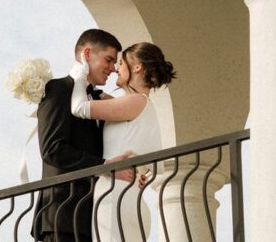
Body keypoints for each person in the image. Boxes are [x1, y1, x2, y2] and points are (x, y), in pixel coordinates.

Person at [33, 29, 135, 242]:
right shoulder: (58, 89)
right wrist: (105, 166)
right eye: (108, 60)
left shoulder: (97, 101)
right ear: (87, 54)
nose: (113, 69)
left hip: (94, 218)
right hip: (62, 216)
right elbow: (53, 150)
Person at [70, 42, 176, 242]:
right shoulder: (140, 105)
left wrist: (80, 75)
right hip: (127, 196)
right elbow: (101, 98)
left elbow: (79, 108)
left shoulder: (135, 101)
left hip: (115, 196)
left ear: (137, 67)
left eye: (121, 63)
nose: (116, 69)